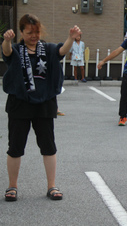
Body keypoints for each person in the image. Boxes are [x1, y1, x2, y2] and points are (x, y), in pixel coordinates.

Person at [2, 13, 82, 201]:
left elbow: (62, 51)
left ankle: (51, 186)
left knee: (48, 146)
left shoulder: (47, 49)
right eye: (29, 32)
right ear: (22, 32)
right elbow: (6, 52)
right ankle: (12, 186)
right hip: (19, 103)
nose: (34, 36)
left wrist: (71, 38)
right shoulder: (15, 49)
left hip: (44, 103)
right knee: (15, 147)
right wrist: (6, 40)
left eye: (36, 32)